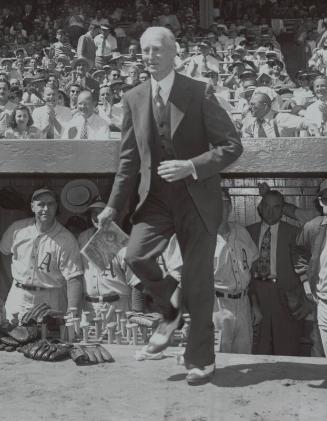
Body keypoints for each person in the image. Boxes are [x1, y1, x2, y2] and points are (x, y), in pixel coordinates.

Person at [97, 27, 242, 385]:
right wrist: (112, 209)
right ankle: (170, 308)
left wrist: (191, 166)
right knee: (134, 256)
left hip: (196, 201)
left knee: (198, 283)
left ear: (174, 52)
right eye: (144, 50)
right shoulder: (133, 97)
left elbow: (231, 146)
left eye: (157, 49)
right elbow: (128, 162)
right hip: (157, 201)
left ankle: (201, 360)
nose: (150, 56)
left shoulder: (199, 91)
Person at [0, 187, 83, 323]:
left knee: (51, 340)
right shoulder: (17, 229)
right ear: (32, 207)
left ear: (56, 207)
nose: (45, 209)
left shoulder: (66, 239)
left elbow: (74, 278)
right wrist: (9, 281)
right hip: (19, 295)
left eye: (50, 204)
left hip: (50, 297)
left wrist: (72, 313)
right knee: (12, 338)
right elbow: (4, 253)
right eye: (40, 204)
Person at [247, 190, 310, 356]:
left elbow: (311, 269)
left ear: (283, 209)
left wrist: (304, 298)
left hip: (286, 295)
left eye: (276, 207)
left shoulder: (296, 234)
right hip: (255, 295)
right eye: (266, 206)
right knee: (257, 348)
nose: (270, 211)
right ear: (260, 208)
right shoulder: (246, 233)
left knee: (288, 348)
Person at [213, 188, 261, 354]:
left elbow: (251, 272)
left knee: (244, 356)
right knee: (219, 358)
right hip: (216, 305)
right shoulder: (203, 236)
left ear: (231, 206)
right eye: (215, 204)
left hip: (243, 303)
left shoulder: (241, 232)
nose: (220, 208)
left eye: (224, 204)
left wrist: (254, 305)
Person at [78, 201, 137, 321]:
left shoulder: (122, 240)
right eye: (93, 213)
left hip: (118, 305)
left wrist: (136, 312)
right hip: (90, 306)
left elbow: (136, 281)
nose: (96, 217)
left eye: (101, 212)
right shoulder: (83, 237)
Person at [292, 179, 327, 358]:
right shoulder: (313, 228)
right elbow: (299, 255)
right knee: (320, 355)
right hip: (323, 305)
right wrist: (306, 283)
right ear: (321, 202)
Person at [242, 92, 307, 138]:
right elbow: (245, 132)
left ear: (265, 106)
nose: (249, 108)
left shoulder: (281, 118)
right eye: (250, 104)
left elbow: (306, 123)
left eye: (253, 104)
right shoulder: (251, 122)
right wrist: (248, 138)